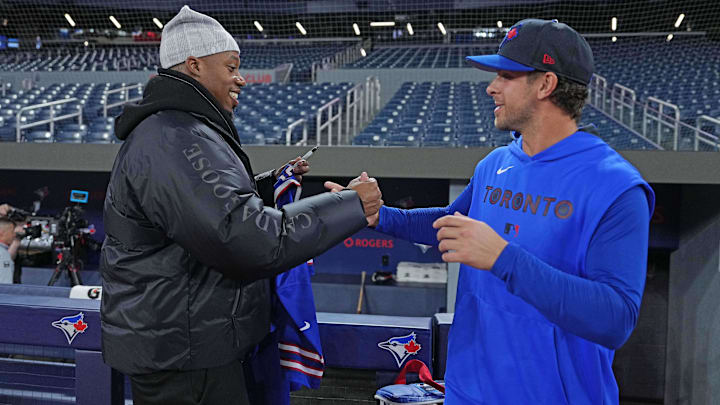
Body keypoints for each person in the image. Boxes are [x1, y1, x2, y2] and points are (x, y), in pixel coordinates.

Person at [328, 19, 655, 404]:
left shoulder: (615, 187)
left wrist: (502, 257)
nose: (491, 87)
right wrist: (380, 216)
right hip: (468, 390)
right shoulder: (496, 162)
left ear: (545, 85)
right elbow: (450, 227)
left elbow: (615, 319)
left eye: (505, 75)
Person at [100, 6, 382, 405]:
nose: (241, 79)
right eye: (232, 67)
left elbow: (211, 214)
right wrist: (350, 205)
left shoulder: (181, 130)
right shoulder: (176, 137)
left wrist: (266, 188)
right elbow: (245, 238)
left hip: (190, 349)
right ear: (194, 65)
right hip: (186, 361)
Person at [0, 204, 22, 284]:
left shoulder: (5, 253)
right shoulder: (2, 254)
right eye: (12, 232)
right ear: (1, 233)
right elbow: (5, 286)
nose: (14, 234)